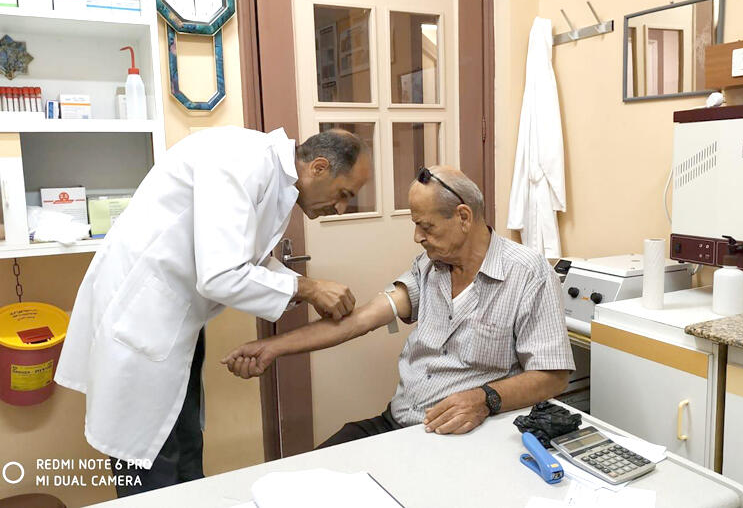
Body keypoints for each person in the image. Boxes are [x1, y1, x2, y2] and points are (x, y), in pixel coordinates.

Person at [54, 127, 372, 496]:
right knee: (153, 465)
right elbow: (221, 275)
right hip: (144, 316)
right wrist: (311, 288)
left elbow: (244, 258)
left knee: (186, 449)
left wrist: (305, 292)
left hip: (172, 320)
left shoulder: (270, 174)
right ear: (318, 167)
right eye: (344, 194)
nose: (341, 208)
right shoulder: (242, 162)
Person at [222, 165, 575, 447]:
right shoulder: (430, 268)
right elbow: (356, 322)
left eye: (426, 226)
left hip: (467, 435)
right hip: (400, 422)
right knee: (311, 475)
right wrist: (270, 347)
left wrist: (484, 398)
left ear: (464, 218)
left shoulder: (528, 273)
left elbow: (553, 376)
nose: (417, 237)